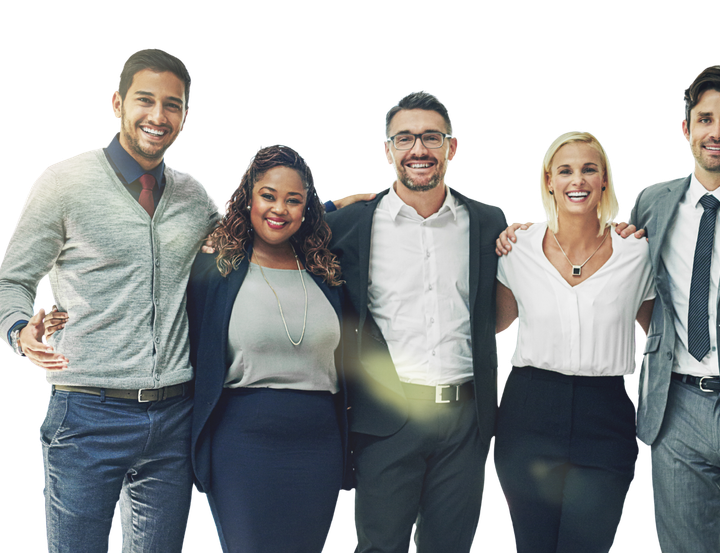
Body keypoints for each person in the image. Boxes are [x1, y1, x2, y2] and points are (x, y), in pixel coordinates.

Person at [502, 65, 720, 551]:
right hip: (674, 413)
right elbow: (603, 255)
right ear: (687, 128)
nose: (717, 132)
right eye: (705, 119)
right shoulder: (654, 202)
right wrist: (529, 229)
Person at [0, 48, 221, 551]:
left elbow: (244, 235)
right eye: (145, 100)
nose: (158, 116)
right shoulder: (63, 185)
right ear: (117, 103)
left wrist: (330, 208)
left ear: (185, 116)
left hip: (175, 417)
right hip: (86, 413)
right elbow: (13, 280)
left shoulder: (192, 194)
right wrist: (19, 330)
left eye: (173, 104)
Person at [324, 90, 507, 552]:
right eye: (404, 139)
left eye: (431, 137)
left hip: (466, 419)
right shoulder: (352, 226)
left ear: (452, 147)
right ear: (387, 149)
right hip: (387, 416)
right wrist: (327, 205)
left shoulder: (487, 222)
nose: (419, 150)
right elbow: (274, 221)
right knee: (379, 546)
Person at [493, 131, 654, 551]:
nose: (577, 180)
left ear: (604, 181)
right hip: (528, 412)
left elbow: (661, 332)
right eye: (565, 170)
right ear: (549, 181)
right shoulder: (517, 248)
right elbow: (494, 323)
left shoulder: (636, 252)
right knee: (533, 544)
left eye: (588, 169)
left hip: (605, 414)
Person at [185, 144, 349, 552]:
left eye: (294, 200)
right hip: (243, 444)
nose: (280, 209)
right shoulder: (216, 267)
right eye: (269, 196)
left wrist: (343, 202)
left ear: (307, 209)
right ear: (249, 199)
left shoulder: (325, 271)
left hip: (319, 444)